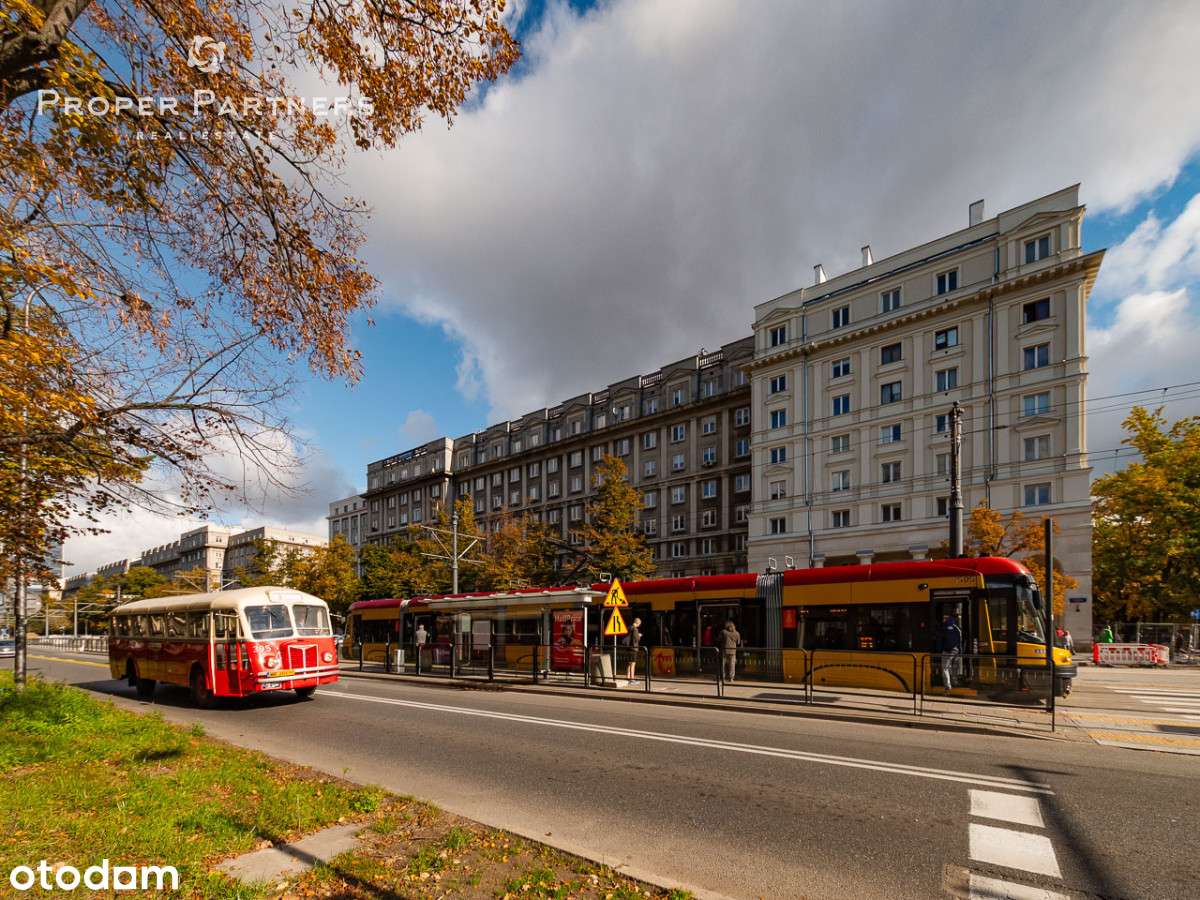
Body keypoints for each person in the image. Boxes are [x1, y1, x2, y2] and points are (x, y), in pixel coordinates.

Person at [939, 613, 962, 691]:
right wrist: (960, 651)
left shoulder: (944, 627)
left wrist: (940, 649)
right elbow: (960, 641)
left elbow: (941, 639)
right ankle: (955, 681)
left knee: (945, 668)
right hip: (955, 650)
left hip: (946, 651)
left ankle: (948, 685)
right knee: (954, 667)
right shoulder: (957, 628)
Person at [626, 617, 642, 683]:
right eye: (639, 624)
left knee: (629, 663)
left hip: (628, 648)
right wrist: (639, 635)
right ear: (637, 623)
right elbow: (636, 639)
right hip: (633, 648)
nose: (639, 625)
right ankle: (632, 679)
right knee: (633, 664)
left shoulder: (629, 628)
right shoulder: (635, 629)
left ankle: (628, 677)